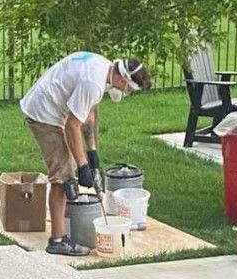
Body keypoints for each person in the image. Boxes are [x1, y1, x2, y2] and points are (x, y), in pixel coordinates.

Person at [20, 54, 151, 256]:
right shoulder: (93, 83)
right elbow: (73, 126)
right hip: (44, 113)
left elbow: (88, 115)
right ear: (123, 79)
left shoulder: (105, 68)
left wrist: (92, 154)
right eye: (129, 89)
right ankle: (58, 240)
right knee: (63, 176)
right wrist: (82, 167)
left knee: (68, 171)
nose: (126, 93)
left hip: (54, 109)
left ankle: (64, 225)